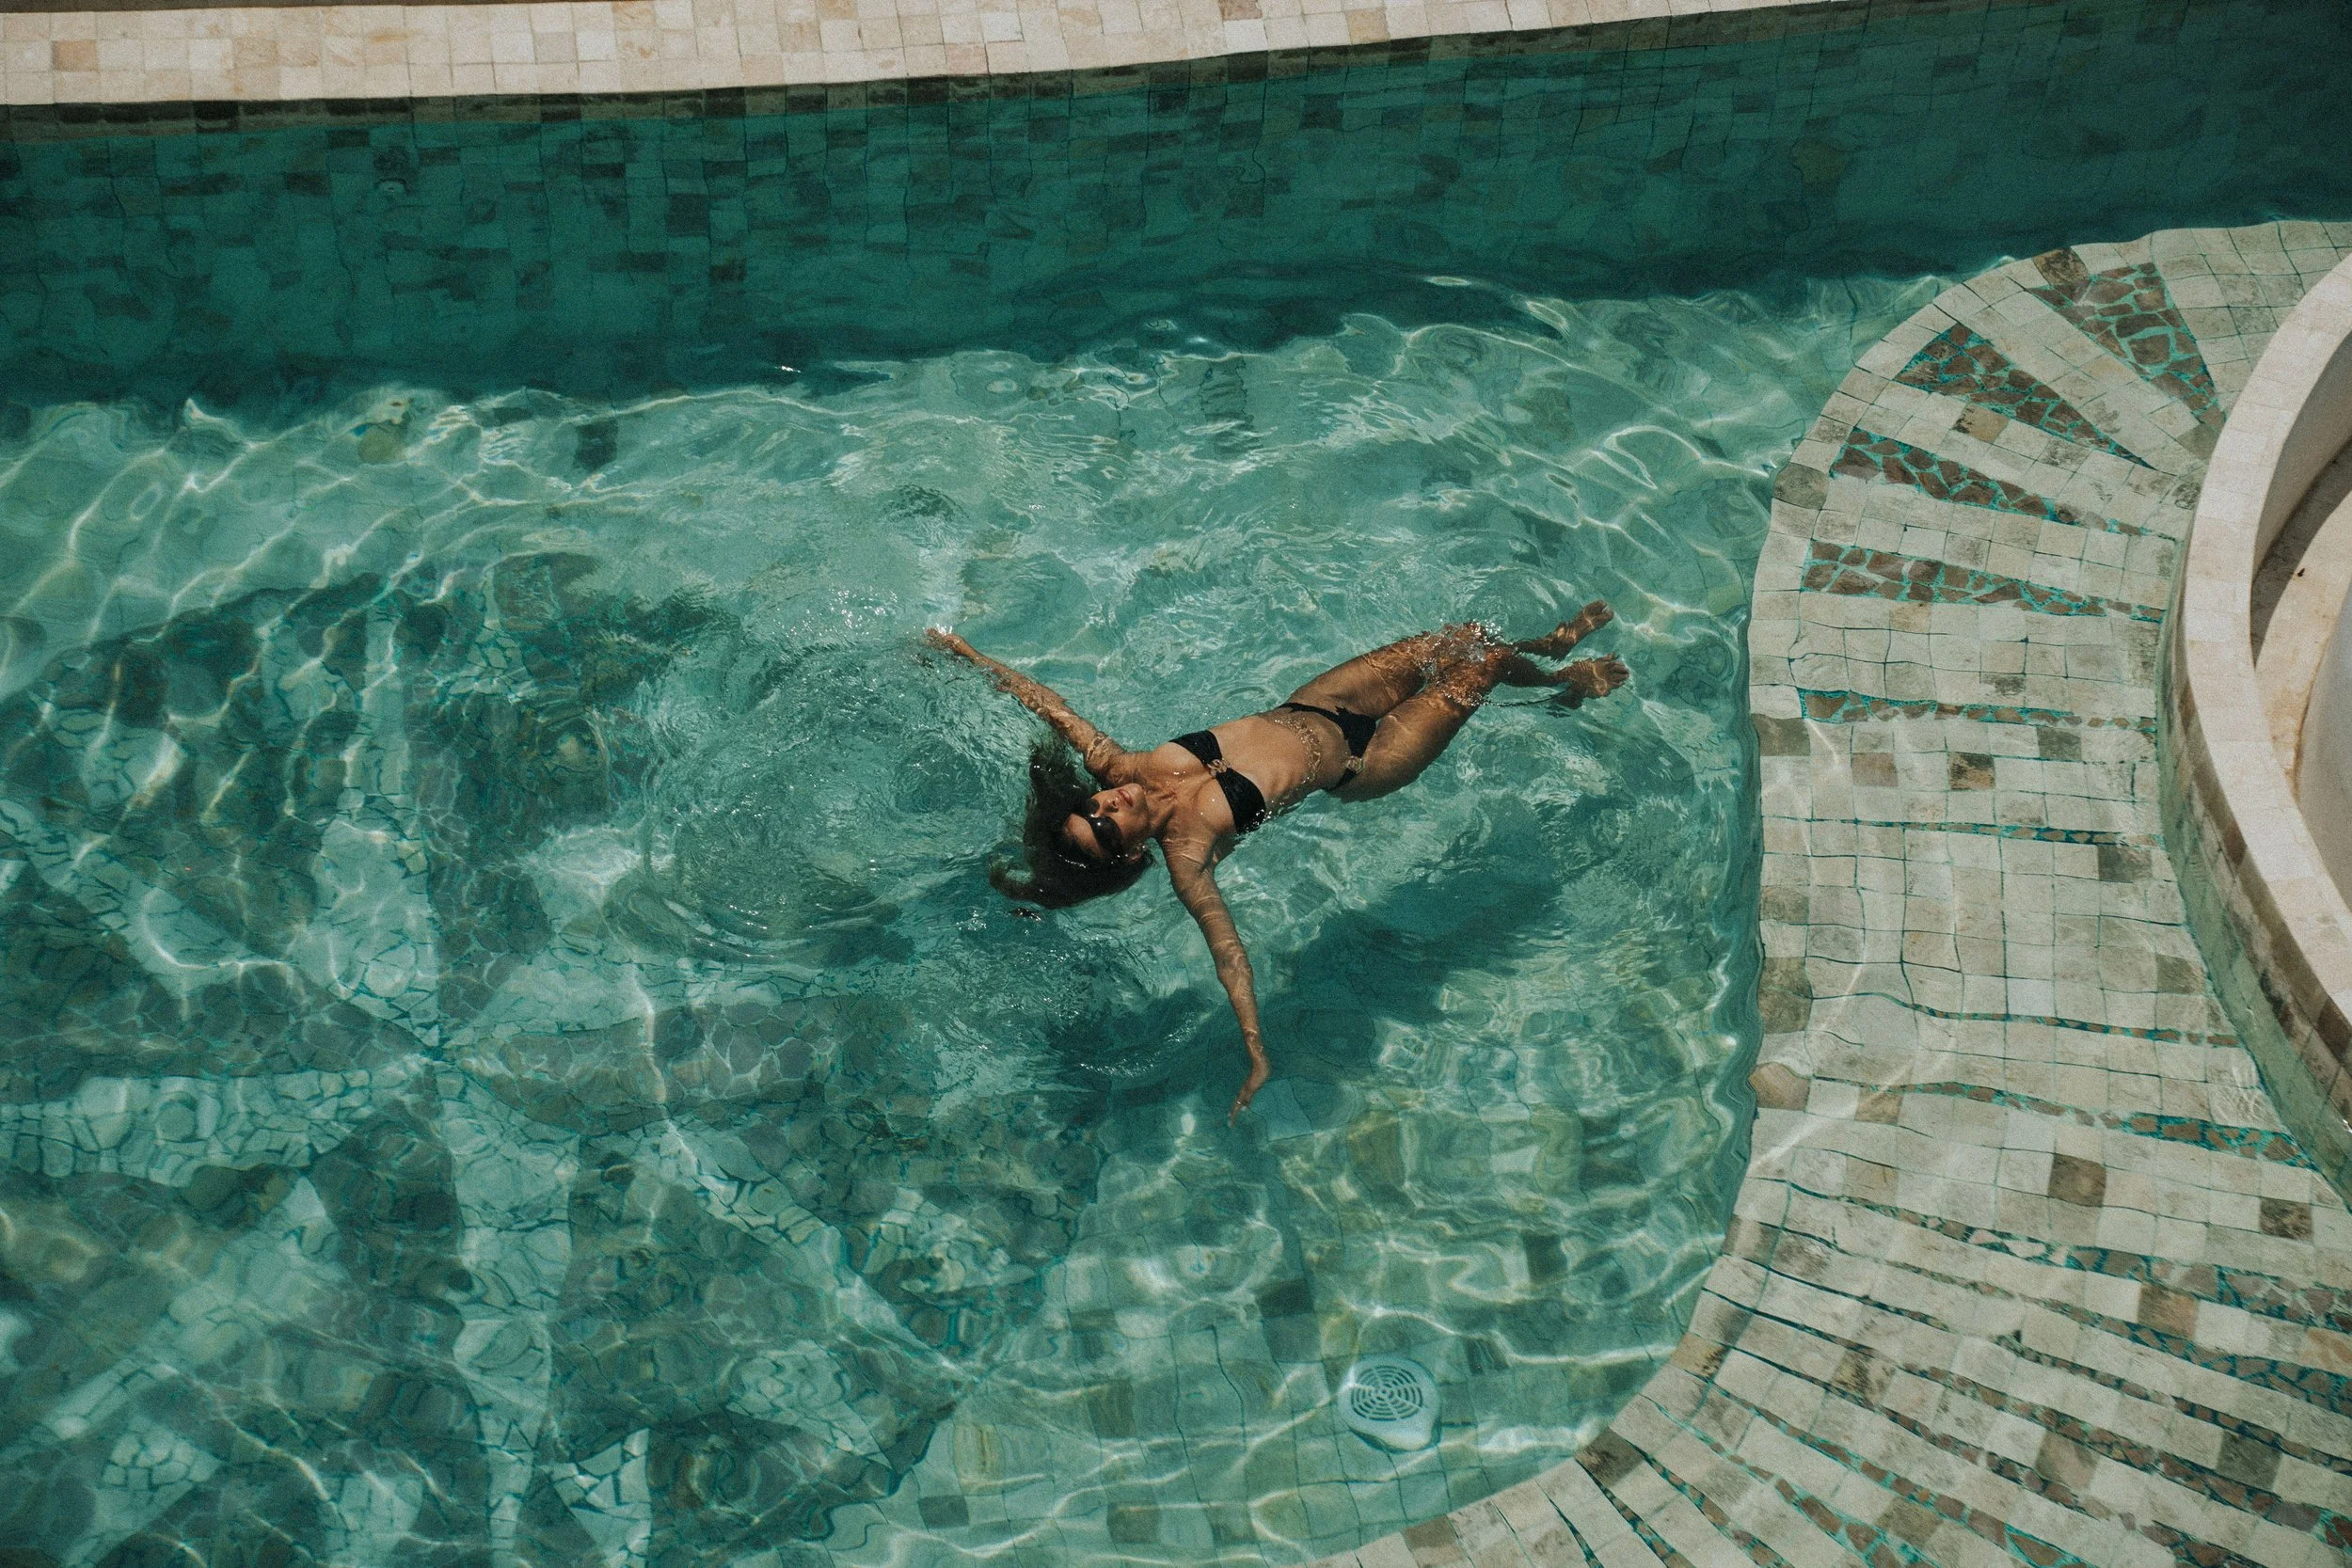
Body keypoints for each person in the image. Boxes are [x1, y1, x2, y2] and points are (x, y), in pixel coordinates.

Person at [925, 612, 1629, 1122]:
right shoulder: (1189, 855)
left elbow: (1052, 708)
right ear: (1131, 851)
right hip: (1371, 758)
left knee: (1470, 636)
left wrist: (970, 655)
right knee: (1484, 665)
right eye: (1109, 820)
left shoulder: (1124, 765)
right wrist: (1257, 1050)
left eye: (1096, 802)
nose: (1109, 798)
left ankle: (1541, 650)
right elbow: (1229, 954)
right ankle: (1561, 678)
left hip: (1319, 701)